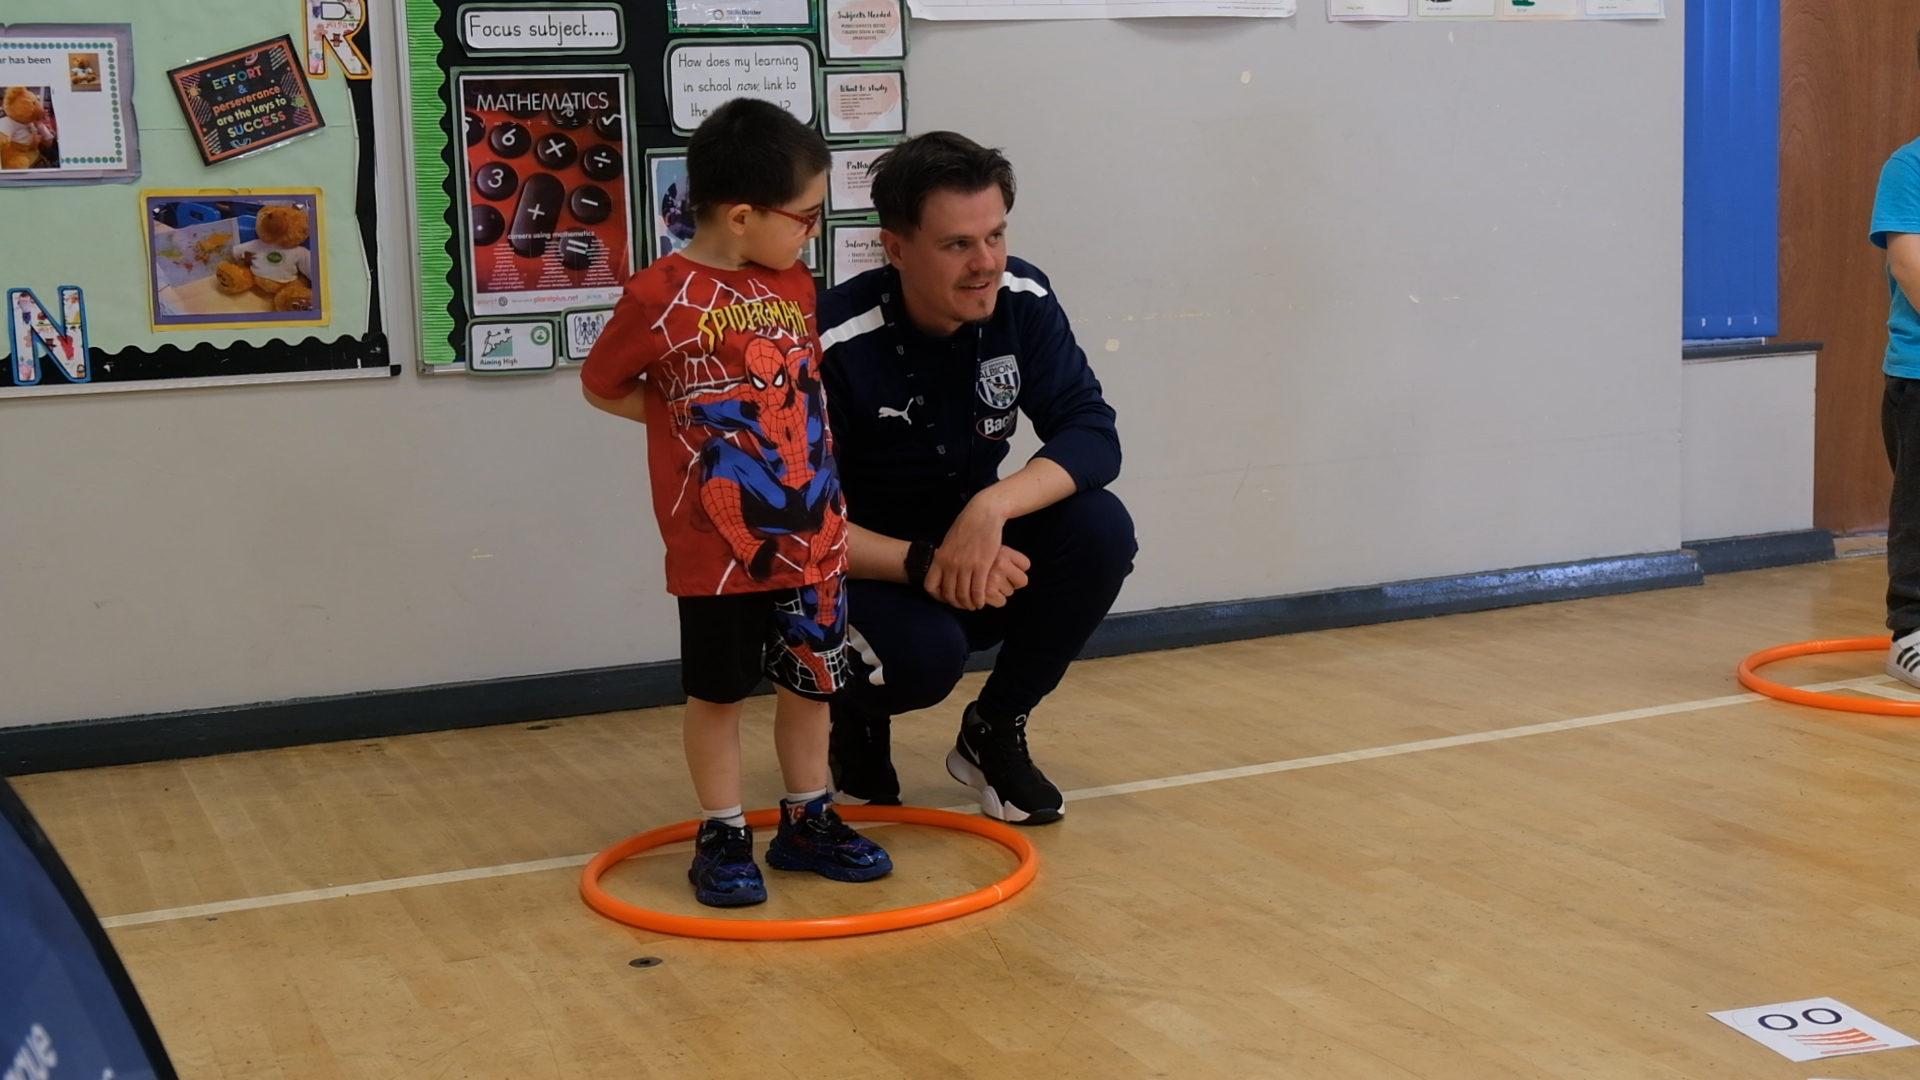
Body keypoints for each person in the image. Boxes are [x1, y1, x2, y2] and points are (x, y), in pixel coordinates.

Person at [580, 99, 890, 906]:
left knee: (814, 684)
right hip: (718, 552)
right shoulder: (659, 294)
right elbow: (603, 384)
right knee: (719, 695)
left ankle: (807, 818)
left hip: (814, 534)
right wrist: (685, 420)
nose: (815, 231)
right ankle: (722, 830)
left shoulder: (793, 279)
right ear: (743, 215)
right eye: (807, 216)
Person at [817, 132, 1137, 825]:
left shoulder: (1022, 296)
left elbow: (1092, 432)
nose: (986, 263)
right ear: (896, 248)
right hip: (864, 571)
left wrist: (991, 509)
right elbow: (797, 527)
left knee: (1100, 527)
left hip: (968, 549)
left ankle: (994, 727)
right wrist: (924, 563)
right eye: (958, 244)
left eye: (995, 235)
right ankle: (854, 716)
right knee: (924, 658)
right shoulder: (832, 343)